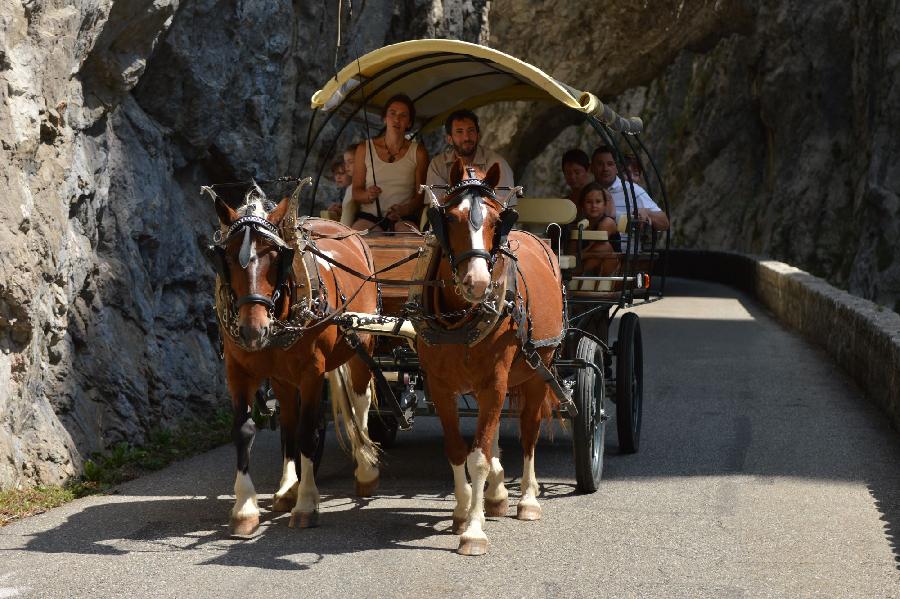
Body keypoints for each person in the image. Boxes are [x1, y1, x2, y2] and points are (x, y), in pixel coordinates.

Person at [351, 95, 428, 231]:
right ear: (384, 118)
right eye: (392, 113)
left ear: (409, 123)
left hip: (404, 219)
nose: (397, 119)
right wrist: (367, 195)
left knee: (410, 244)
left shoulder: (419, 152)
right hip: (369, 218)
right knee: (358, 242)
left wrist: (404, 210)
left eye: (403, 115)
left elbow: (421, 196)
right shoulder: (364, 149)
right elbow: (356, 192)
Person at [426, 109, 514, 197]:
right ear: (449, 139)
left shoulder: (497, 165)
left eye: (471, 130)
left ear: (478, 135)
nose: (466, 138)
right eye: (459, 132)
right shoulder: (438, 165)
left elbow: (503, 206)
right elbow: (436, 204)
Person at [590, 145, 668, 231]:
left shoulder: (632, 189)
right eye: (600, 164)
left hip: (627, 244)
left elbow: (664, 223)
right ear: (592, 168)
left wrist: (647, 212)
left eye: (610, 164)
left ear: (617, 168)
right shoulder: (588, 191)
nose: (605, 169)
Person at [569, 182, 620, 276]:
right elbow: (571, 252)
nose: (594, 206)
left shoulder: (607, 222)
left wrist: (580, 255)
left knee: (604, 247)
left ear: (605, 205)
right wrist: (575, 256)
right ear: (582, 205)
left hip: (610, 271)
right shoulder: (580, 225)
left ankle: (581, 274)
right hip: (586, 266)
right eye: (589, 202)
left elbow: (598, 247)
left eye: (598, 201)